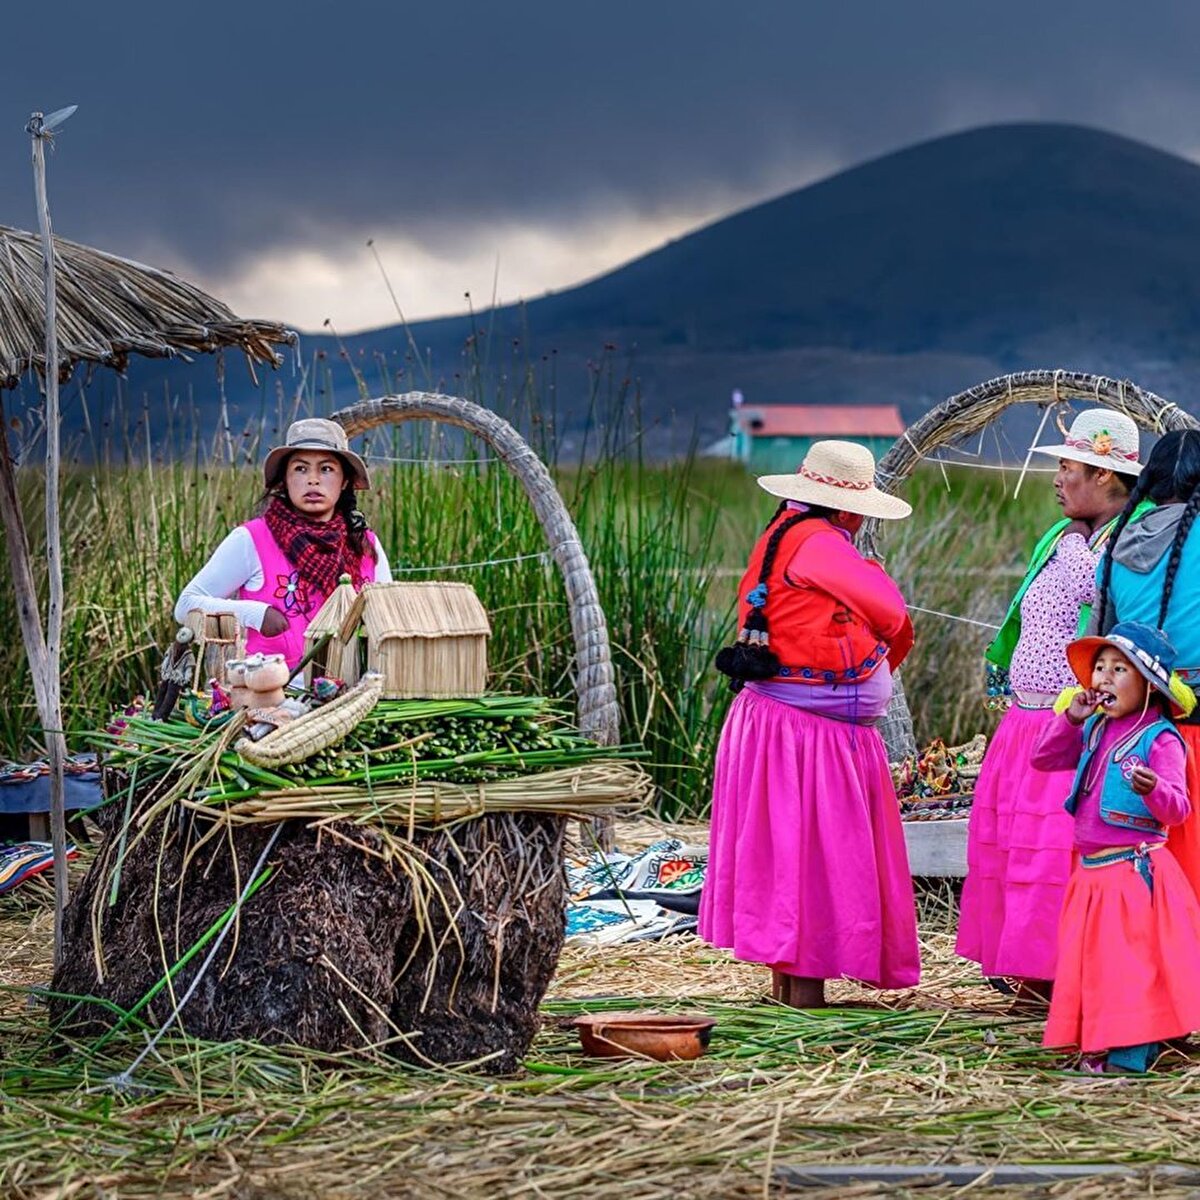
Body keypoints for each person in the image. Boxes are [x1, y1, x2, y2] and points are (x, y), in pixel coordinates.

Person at [698, 440, 920, 1008]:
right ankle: (804, 998)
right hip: (806, 733)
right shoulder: (822, 546)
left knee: (790, 851)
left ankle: (788, 991)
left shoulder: (786, 534)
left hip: (781, 723)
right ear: (848, 510)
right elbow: (892, 612)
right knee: (813, 857)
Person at [956, 409, 1143, 999]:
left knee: (1052, 856)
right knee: (1015, 850)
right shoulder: (1060, 537)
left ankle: (1059, 977)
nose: (1057, 479)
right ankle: (1023, 967)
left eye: (1068, 468)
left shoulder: (1130, 542)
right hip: (1027, 720)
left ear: (1107, 477)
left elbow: (1117, 615)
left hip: (1076, 725)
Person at [1032, 622, 1200, 1073]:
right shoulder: (1094, 730)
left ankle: (1131, 1055)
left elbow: (1178, 809)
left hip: (1132, 873)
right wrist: (1071, 718)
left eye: (1119, 669)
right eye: (1099, 668)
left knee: (1131, 968)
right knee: (1098, 967)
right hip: (1091, 874)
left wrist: (1153, 790)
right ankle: (1100, 1044)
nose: (1103, 678)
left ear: (1149, 684)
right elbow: (1042, 758)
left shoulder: (1160, 738)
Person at [176, 418, 392, 671]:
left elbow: (386, 618)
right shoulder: (252, 539)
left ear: (344, 481)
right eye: (300, 469)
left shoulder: (365, 545)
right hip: (270, 694)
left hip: (352, 693)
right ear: (285, 480)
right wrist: (256, 614)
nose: (313, 480)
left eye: (326, 469)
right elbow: (186, 605)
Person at [1092, 428, 1200, 894]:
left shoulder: (1118, 543)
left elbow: (1101, 644)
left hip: (1137, 737)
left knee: (1153, 874)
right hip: (1192, 731)